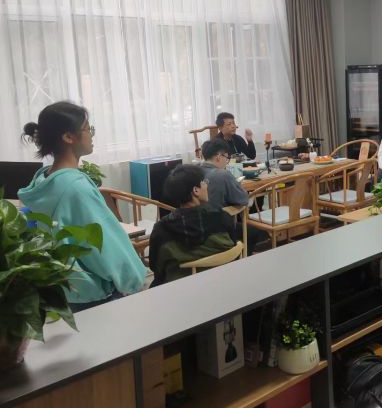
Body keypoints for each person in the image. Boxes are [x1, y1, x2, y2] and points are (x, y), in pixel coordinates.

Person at [18, 101, 146, 312]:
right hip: (95, 295)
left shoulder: (44, 180)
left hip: (67, 288)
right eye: (88, 129)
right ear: (69, 137)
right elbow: (103, 244)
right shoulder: (75, 188)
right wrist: (133, 281)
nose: (91, 135)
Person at [148, 165, 235, 286]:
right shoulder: (222, 217)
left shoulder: (162, 229)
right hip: (222, 283)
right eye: (204, 182)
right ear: (196, 190)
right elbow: (232, 245)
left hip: (180, 288)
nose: (206, 185)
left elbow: (155, 266)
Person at [200, 139, 250, 210]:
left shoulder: (193, 171)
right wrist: (237, 185)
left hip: (196, 215)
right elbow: (243, 200)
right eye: (226, 158)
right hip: (220, 216)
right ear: (219, 156)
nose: (227, 162)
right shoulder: (223, 174)